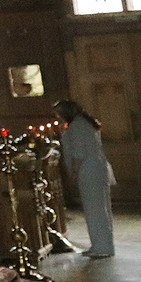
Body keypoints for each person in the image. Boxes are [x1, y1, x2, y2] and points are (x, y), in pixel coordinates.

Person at [55, 98, 116, 256]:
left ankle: (101, 247)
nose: (58, 117)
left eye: (60, 113)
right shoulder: (87, 123)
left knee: (94, 209)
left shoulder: (77, 126)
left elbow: (78, 154)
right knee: (102, 208)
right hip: (97, 168)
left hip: (87, 170)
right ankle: (104, 245)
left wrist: (73, 174)